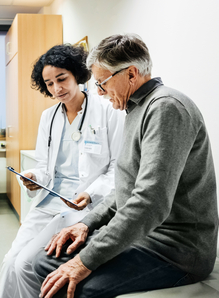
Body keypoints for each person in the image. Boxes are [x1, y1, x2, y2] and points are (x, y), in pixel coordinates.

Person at [33, 34, 218, 298]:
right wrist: (87, 224)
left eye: (102, 83)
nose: (98, 92)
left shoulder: (166, 109)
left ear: (131, 74)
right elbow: (125, 188)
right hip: (144, 237)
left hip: (176, 250)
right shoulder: (136, 109)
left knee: (80, 287)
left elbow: (149, 203)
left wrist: (85, 262)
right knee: (45, 262)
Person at [0, 44, 124, 298]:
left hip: (82, 206)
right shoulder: (49, 117)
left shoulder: (107, 111)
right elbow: (46, 167)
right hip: (49, 201)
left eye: (62, 78)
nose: (57, 89)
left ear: (77, 75)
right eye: (49, 84)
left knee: (26, 265)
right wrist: (34, 177)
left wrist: (90, 194)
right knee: (10, 262)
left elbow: (118, 168)